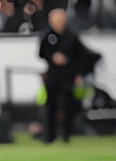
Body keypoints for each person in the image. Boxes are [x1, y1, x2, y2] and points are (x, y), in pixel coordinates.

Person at [38, 8, 97, 143]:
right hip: (53, 75)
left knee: (68, 105)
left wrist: (78, 73)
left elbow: (81, 57)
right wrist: (53, 57)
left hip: (68, 76)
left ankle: (66, 134)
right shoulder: (47, 36)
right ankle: (50, 135)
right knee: (51, 106)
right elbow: (41, 53)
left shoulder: (72, 37)